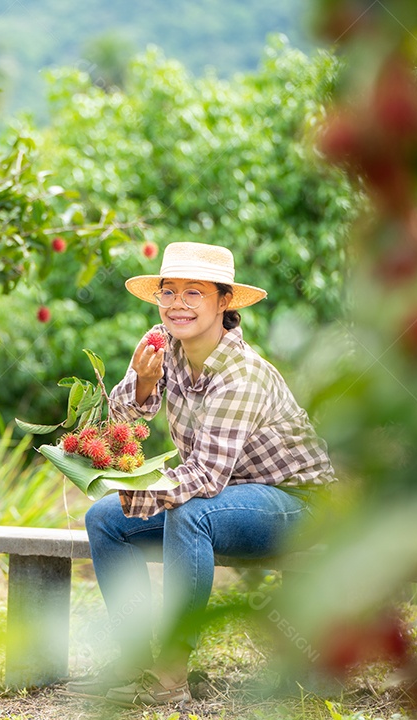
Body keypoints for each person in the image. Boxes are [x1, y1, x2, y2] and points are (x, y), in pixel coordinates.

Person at [67, 242, 336, 707]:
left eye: (194, 293)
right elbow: (121, 423)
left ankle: (171, 673)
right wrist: (144, 381)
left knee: (190, 513)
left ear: (224, 301)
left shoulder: (241, 373)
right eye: (168, 292)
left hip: (295, 503)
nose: (177, 304)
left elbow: (205, 478)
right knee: (105, 518)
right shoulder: (165, 347)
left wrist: (143, 493)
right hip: (229, 496)